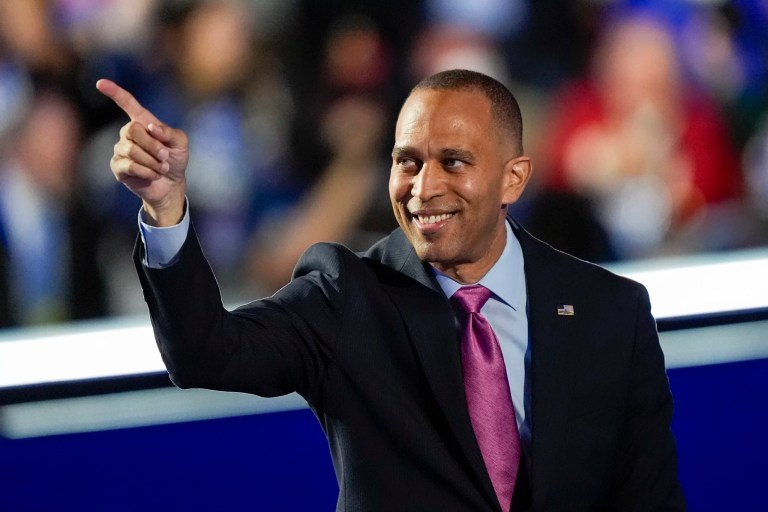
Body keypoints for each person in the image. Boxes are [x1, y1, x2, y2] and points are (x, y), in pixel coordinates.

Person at [97, 69, 685, 511]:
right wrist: (166, 207)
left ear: (514, 178)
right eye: (408, 162)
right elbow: (207, 352)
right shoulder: (345, 296)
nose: (422, 188)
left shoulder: (612, 310)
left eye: (453, 162)